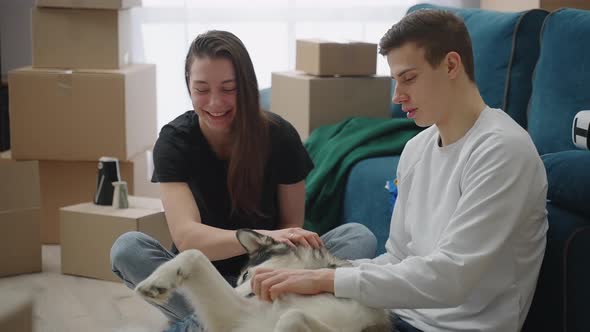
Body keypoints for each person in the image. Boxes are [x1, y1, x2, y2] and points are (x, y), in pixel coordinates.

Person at [251, 9, 548, 332]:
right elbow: (398, 257)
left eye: (409, 78)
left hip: (452, 328)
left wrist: (327, 278)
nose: (397, 96)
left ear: (451, 65)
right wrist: (313, 275)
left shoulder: (502, 150)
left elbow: (453, 276)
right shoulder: (416, 149)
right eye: (395, 81)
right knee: (270, 309)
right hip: (394, 316)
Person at [110, 30, 377, 331]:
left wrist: (273, 249)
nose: (215, 102)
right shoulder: (174, 142)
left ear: (246, 87)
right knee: (127, 248)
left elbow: (291, 231)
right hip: (202, 276)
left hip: (270, 281)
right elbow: (187, 238)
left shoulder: (280, 136)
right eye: (201, 89)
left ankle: (203, 323)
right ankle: (222, 318)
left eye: (228, 88)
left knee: (358, 236)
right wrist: (263, 235)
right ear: (188, 87)